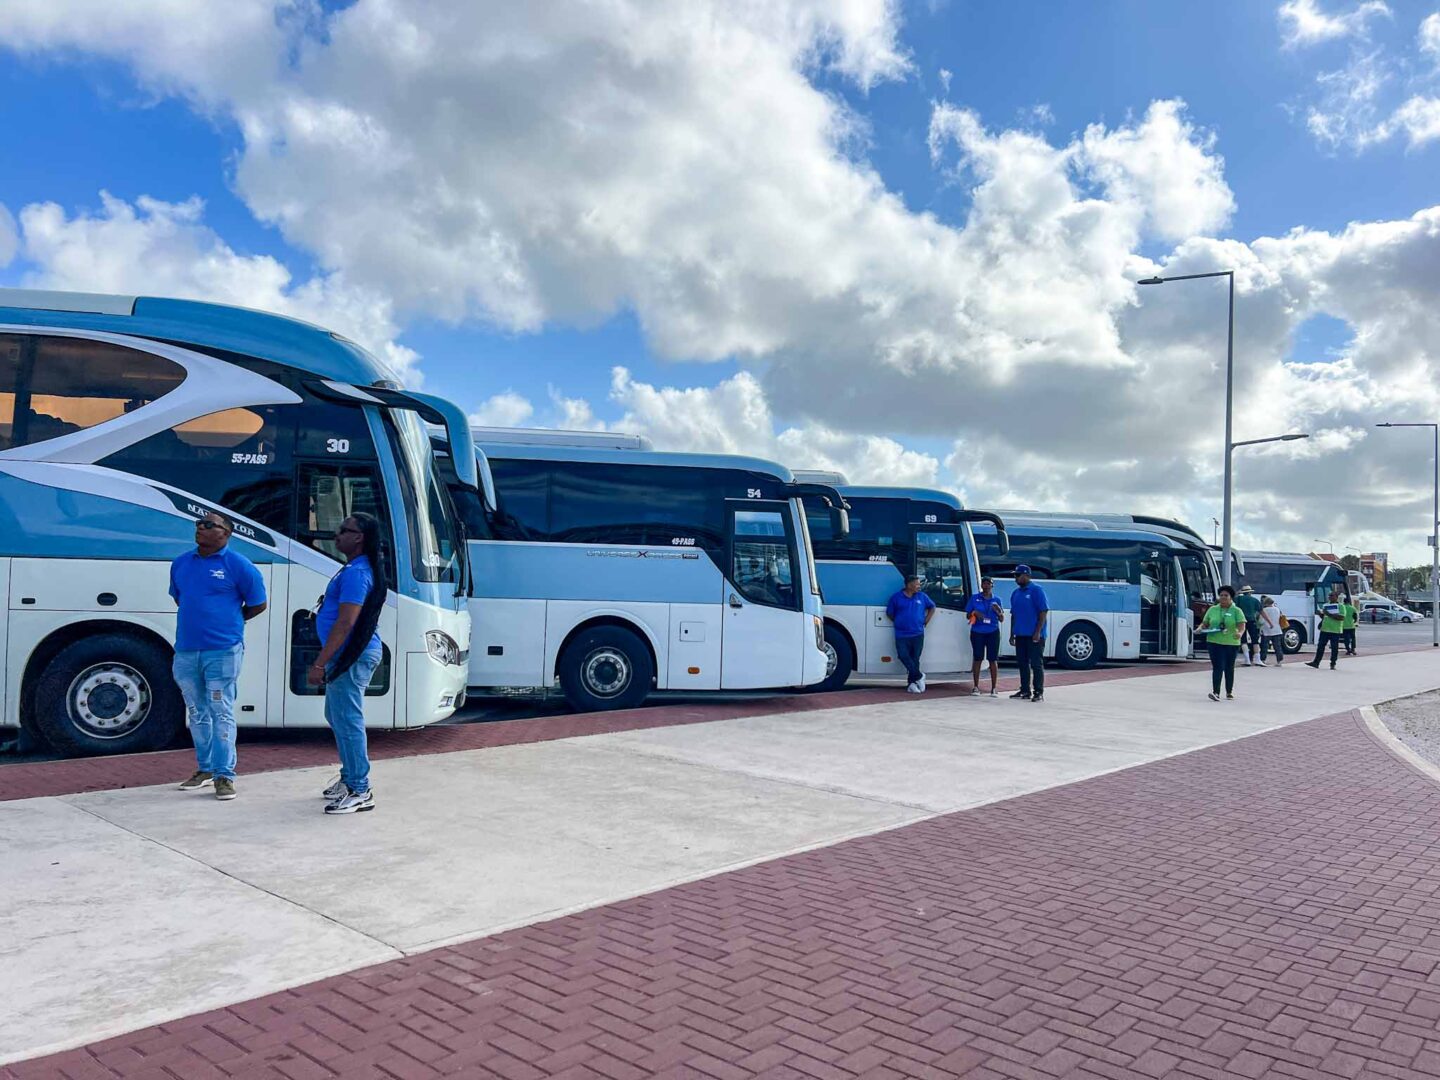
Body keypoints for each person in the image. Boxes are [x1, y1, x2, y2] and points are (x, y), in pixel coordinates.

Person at [171, 511, 268, 800]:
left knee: (220, 710)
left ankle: (225, 775)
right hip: (187, 651)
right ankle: (205, 768)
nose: (200, 527)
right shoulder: (181, 564)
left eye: (209, 524)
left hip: (222, 651)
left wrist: (230, 623)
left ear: (226, 533)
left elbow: (257, 604)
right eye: (199, 524)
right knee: (197, 712)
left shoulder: (239, 566)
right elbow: (180, 598)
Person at [310, 513, 387, 814]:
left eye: (345, 530)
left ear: (359, 538)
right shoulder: (353, 569)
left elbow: (345, 623)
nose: (337, 534)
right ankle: (349, 778)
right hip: (347, 655)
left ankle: (359, 788)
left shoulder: (357, 574)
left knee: (347, 719)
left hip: (351, 656)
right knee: (337, 714)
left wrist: (319, 663)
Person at [886, 574, 936, 693]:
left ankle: (912, 684)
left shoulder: (922, 596)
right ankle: (919, 676)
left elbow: (932, 607)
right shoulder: (896, 597)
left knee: (915, 659)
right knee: (903, 655)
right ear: (909, 585)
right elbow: (889, 613)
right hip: (901, 634)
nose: (919, 586)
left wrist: (926, 620)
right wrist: (899, 621)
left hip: (918, 633)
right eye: (917, 584)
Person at [1008, 565, 1049, 702]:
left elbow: (1043, 611)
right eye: (1015, 575)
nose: (1016, 578)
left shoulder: (1036, 590)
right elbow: (1013, 614)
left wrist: (1038, 632)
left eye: (1018, 575)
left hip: (1034, 635)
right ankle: (1025, 690)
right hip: (1020, 634)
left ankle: (1038, 691)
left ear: (1026, 575)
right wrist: (1012, 633)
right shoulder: (1016, 593)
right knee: (1022, 663)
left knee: (1036, 664)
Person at [1199, 584, 1246, 701]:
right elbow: (1205, 623)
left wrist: (1240, 633)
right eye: (1221, 595)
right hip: (1214, 642)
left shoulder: (1237, 611)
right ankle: (1216, 692)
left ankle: (1229, 691)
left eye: (1226, 595)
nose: (1223, 597)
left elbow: (1242, 626)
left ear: (1231, 597)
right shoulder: (1213, 609)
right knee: (1218, 666)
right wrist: (1200, 628)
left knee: (1229, 667)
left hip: (1231, 643)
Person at [965, 576, 1005, 697]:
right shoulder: (975, 598)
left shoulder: (997, 599)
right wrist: (974, 613)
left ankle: (994, 688)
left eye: (989, 584)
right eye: (984, 583)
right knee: (978, 658)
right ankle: (976, 687)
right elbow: (967, 615)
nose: (986, 586)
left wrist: (998, 611)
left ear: (992, 586)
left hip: (992, 631)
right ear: (981, 585)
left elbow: (1002, 619)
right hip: (978, 631)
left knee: (993, 659)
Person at [1307, 588, 1345, 670]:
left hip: (1335, 630)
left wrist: (1329, 614)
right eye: (1329, 596)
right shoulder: (1326, 605)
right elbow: (1325, 616)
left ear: (1336, 597)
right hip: (1325, 629)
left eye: (1331, 596)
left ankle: (1333, 663)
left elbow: (1341, 617)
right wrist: (1321, 614)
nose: (1330, 597)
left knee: (1334, 648)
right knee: (1320, 646)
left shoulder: (1341, 606)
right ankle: (1316, 662)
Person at [1235, 585, 1262, 666]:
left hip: (1241, 621)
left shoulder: (1238, 599)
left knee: (1243, 640)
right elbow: (1261, 611)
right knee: (1255, 640)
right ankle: (1257, 659)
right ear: (1250, 592)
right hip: (1252, 621)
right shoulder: (1255, 600)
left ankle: (1247, 659)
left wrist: (1237, 593)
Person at [1258, 595, 1285, 666]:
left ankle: (1263, 660)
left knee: (1264, 646)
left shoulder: (1264, 610)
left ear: (1266, 603)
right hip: (1277, 630)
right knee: (1277, 646)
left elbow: (1261, 621)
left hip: (1266, 631)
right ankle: (1279, 661)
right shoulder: (1277, 609)